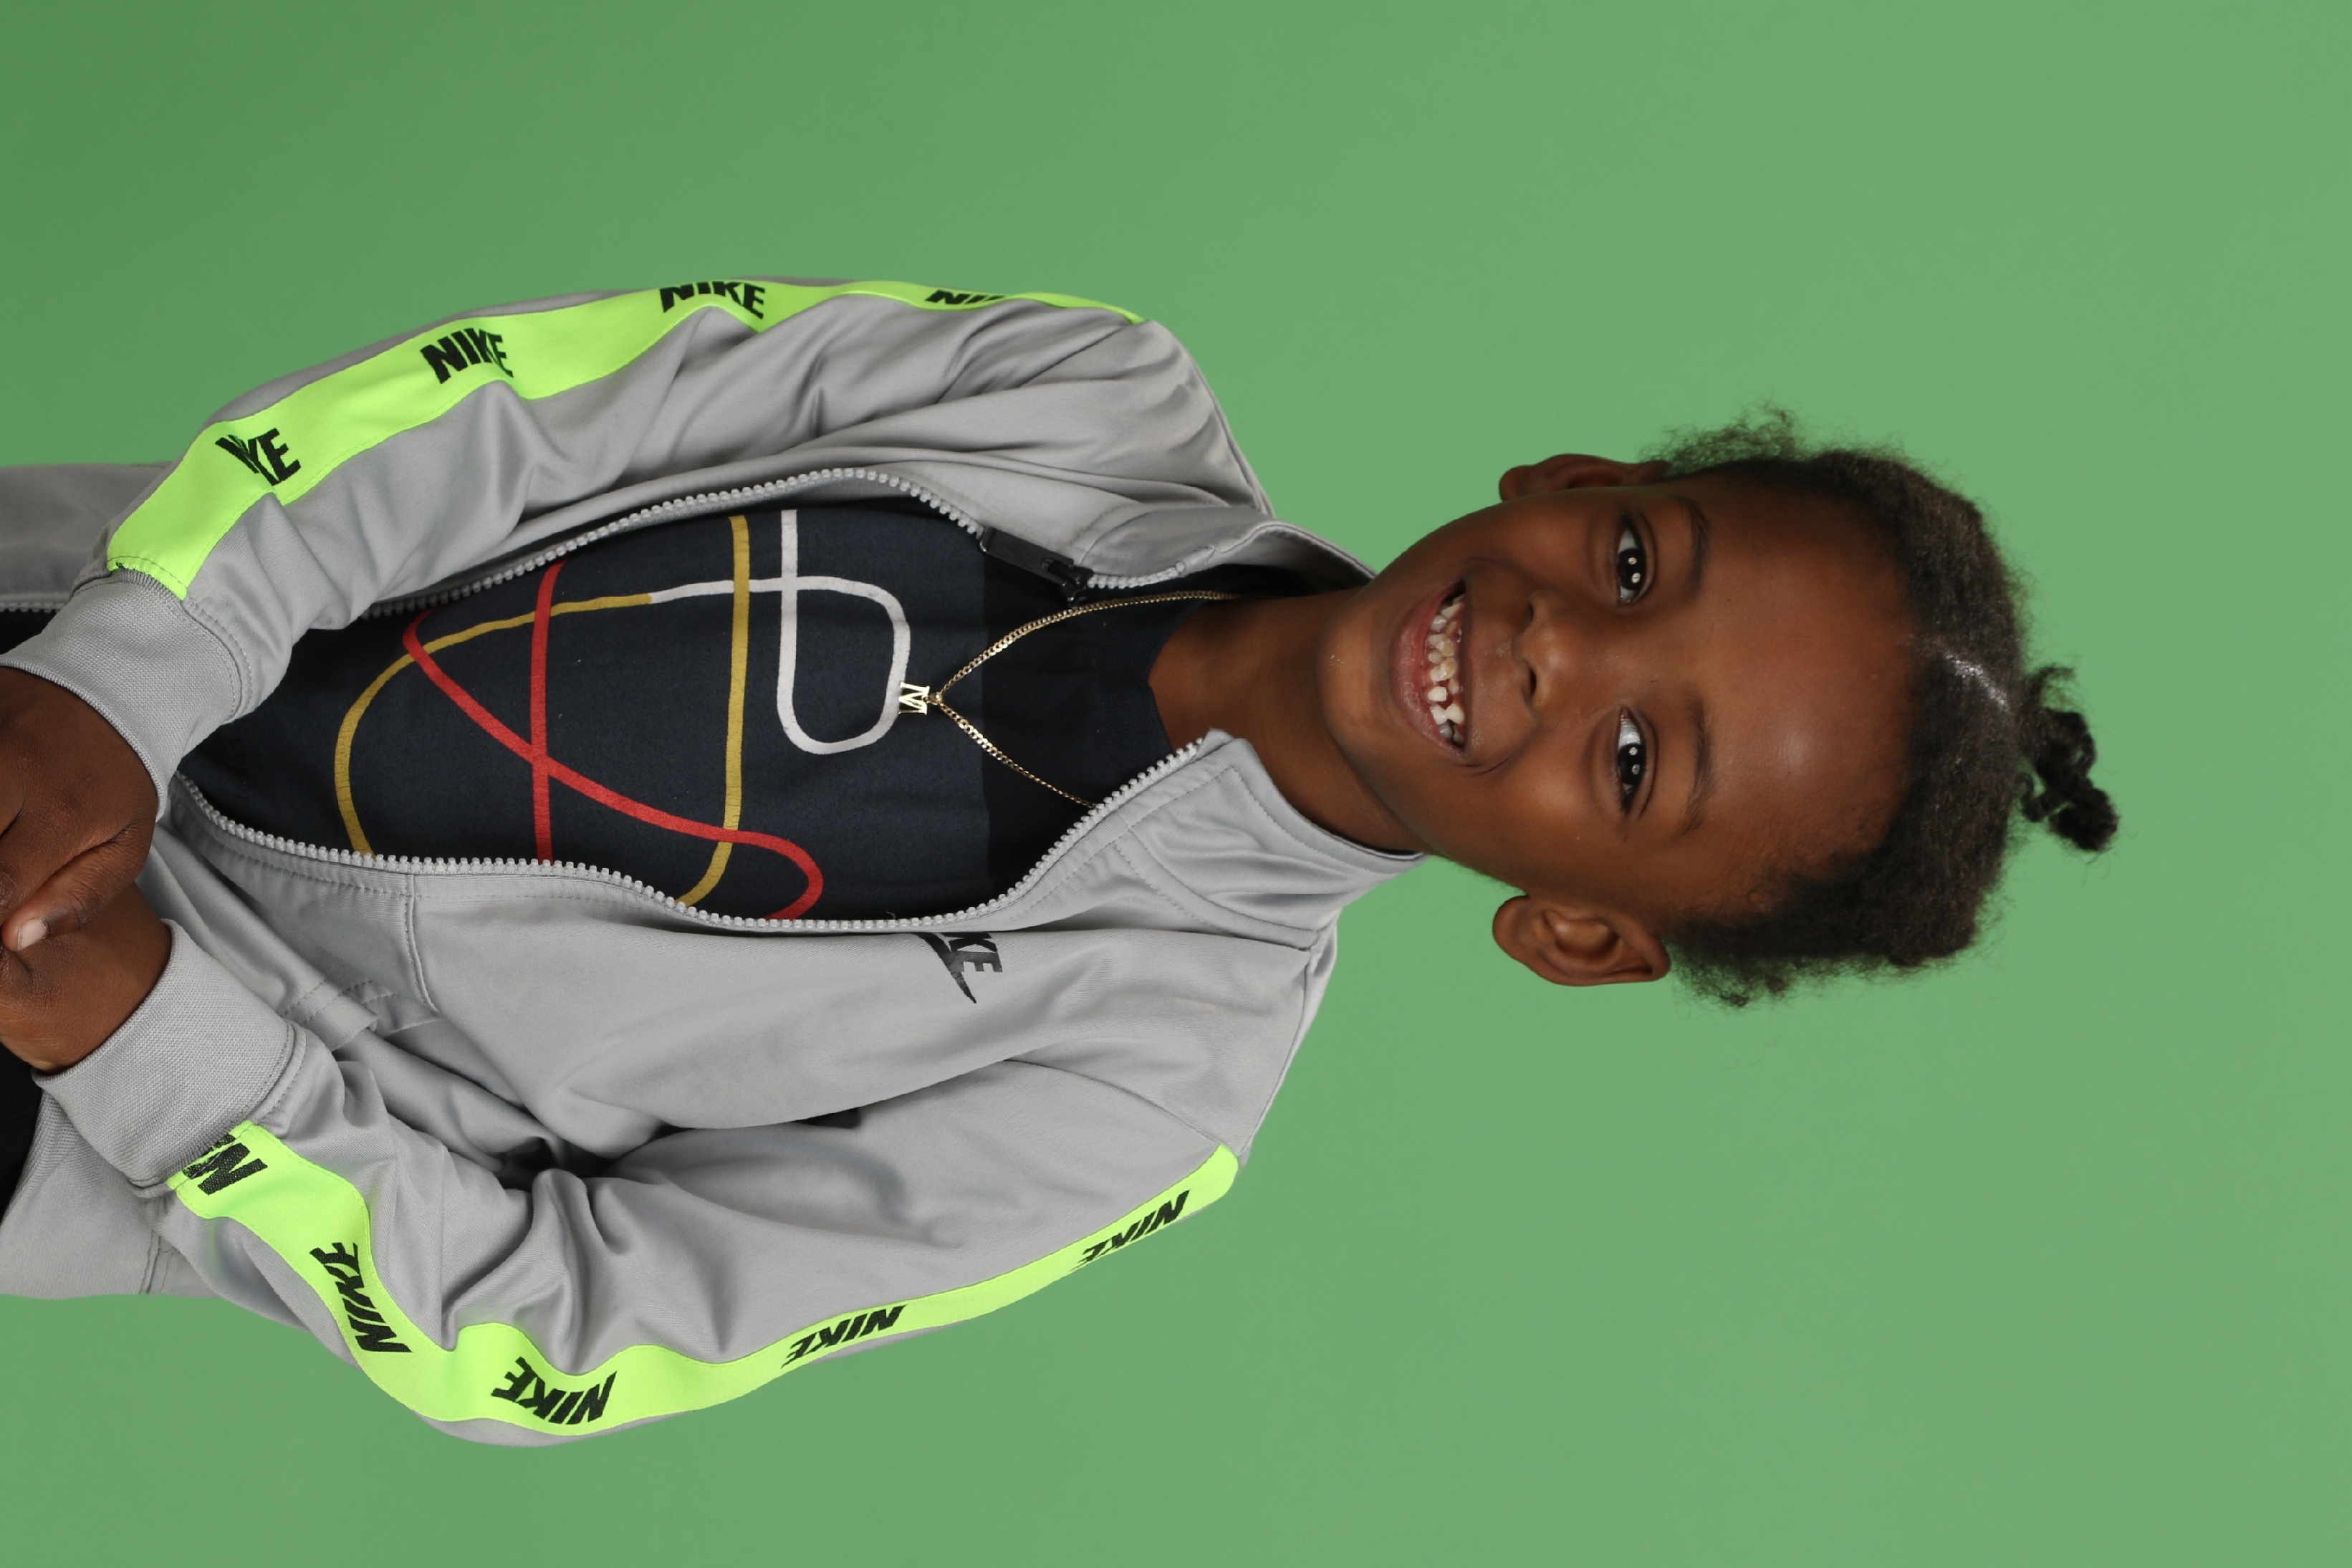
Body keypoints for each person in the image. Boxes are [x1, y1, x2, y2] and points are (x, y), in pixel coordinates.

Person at [0, 279, 2114, 1443]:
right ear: (1575, 476)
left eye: (1641, 763)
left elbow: (571, 1333)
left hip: (56, 1088)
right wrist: (121, 674)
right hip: (52, 624)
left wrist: (153, 1045)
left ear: (1576, 933)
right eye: (1636, 561)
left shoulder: (1143, 1093)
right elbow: (503, 402)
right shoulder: (1078, 389)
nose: (1567, 648)